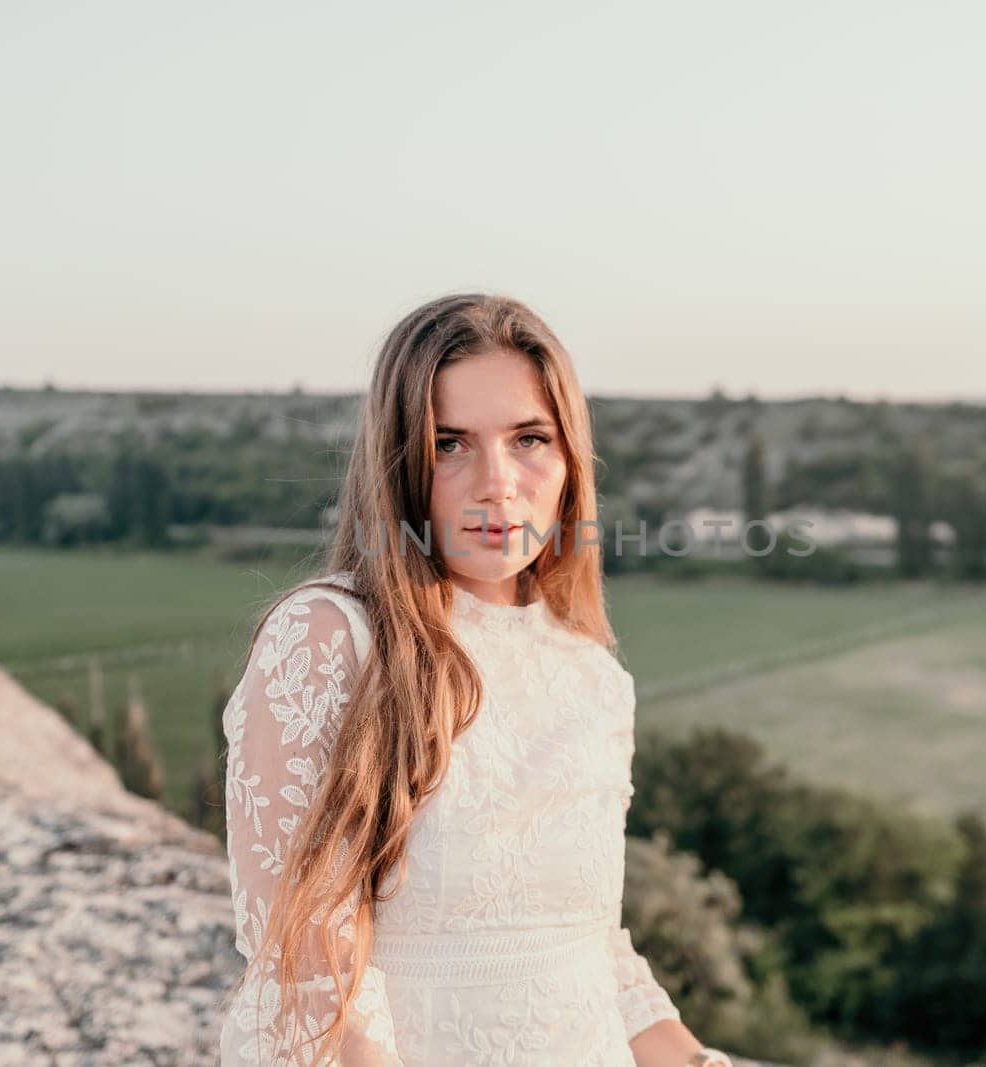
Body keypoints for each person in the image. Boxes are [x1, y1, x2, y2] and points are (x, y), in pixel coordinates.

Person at [218, 294, 734, 1066]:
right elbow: (307, 970)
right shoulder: (332, 639)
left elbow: (589, 949)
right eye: (450, 443)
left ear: (569, 460)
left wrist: (696, 1061)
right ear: (400, 464)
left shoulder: (593, 675)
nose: (497, 483)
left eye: (530, 437)